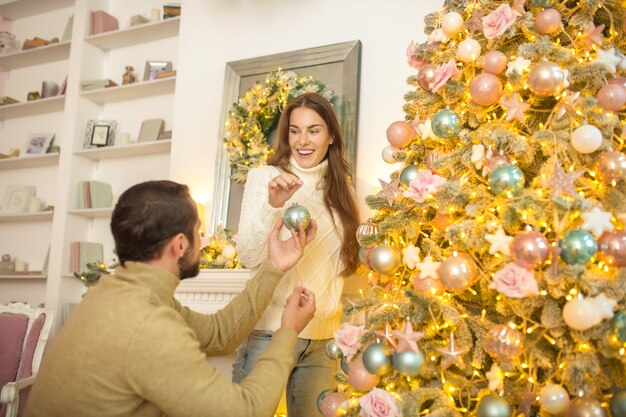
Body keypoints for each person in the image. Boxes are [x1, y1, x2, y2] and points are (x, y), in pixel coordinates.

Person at [25, 180, 318, 417]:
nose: (203, 241)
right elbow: (245, 411)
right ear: (180, 245)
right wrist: (288, 332)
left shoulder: (114, 290)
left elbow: (219, 334)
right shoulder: (148, 323)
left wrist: (273, 267)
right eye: (198, 233)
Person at [233, 92, 360, 416]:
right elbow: (248, 256)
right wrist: (272, 206)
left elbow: (345, 264)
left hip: (322, 342)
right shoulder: (265, 178)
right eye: (294, 130)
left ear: (331, 136)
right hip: (269, 334)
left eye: (314, 130)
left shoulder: (342, 187)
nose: (302, 140)